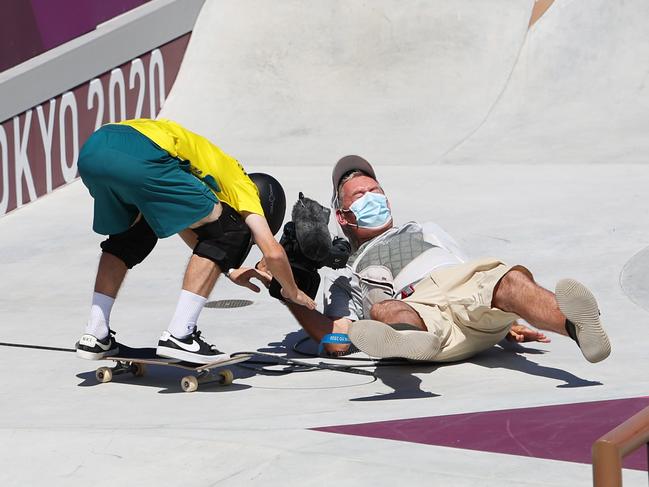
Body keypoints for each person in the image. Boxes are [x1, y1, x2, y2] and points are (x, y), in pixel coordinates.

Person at [267, 155, 610, 364]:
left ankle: (575, 326)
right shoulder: (345, 278)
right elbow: (336, 339)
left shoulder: (425, 229)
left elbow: (473, 278)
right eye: (360, 195)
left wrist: (513, 320)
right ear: (343, 216)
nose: (372, 198)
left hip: (463, 293)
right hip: (420, 309)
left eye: (376, 192)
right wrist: (288, 292)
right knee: (383, 308)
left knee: (507, 280)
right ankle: (408, 339)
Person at [75, 118, 315, 364]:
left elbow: (181, 220)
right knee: (230, 232)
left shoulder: (210, 177)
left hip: (95, 149)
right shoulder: (245, 189)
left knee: (131, 237)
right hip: (144, 155)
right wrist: (293, 291)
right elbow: (273, 253)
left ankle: (96, 333)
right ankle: (181, 335)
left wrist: (229, 268)